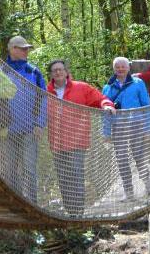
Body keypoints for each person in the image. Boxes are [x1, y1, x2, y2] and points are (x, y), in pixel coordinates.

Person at [46, 59, 115, 215]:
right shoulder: (45, 92)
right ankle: (69, 212)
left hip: (77, 141)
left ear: (66, 72)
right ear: (50, 74)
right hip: (57, 142)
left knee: (76, 176)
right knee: (63, 178)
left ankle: (78, 213)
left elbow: (100, 99)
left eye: (60, 69)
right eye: (54, 70)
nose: (58, 72)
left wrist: (107, 105)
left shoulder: (81, 88)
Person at [103, 56, 150, 199]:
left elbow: (147, 106)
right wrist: (106, 133)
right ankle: (129, 192)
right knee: (122, 159)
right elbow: (105, 112)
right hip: (118, 127)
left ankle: (149, 187)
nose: (120, 69)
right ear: (114, 69)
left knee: (139, 157)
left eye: (123, 66)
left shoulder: (138, 83)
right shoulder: (108, 87)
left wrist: (148, 128)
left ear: (128, 68)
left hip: (136, 125)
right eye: (117, 67)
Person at [4, 35, 45, 202]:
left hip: (30, 128)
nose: (26, 51)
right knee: (10, 169)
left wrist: (40, 123)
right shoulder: (1, 69)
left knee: (29, 168)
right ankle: (16, 203)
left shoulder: (33, 72)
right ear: (13, 49)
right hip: (6, 128)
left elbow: (43, 98)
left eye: (27, 48)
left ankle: (32, 204)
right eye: (22, 48)